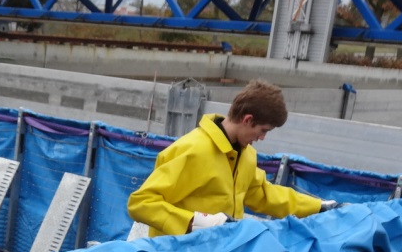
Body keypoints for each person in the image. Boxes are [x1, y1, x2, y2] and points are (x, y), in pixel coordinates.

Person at [127, 79, 340, 237]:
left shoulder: (245, 155)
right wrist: (196, 222)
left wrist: (317, 206)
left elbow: (263, 194)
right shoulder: (192, 150)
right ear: (247, 119)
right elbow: (141, 203)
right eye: (263, 130)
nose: (263, 137)